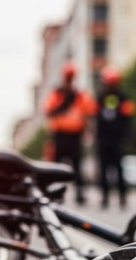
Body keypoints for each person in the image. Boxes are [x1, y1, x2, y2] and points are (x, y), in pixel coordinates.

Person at [44, 61, 96, 205]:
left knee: (77, 166)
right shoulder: (56, 95)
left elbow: (90, 111)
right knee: (56, 167)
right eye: (67, 77)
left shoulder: (79, 95)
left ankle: (80, 194)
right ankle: (55, 193)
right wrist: (64, 103)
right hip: (60, 135)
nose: (69, 80)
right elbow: (48, 111)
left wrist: (88, 130)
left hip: (75, 136)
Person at [94, 65, 136, 209]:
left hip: (117, 139)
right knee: (104, 170)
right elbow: (95, 116)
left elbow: (128, 118)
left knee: (118, 169)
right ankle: (105, 197)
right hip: (103, 139)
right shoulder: (99, 98)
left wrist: (127, 137)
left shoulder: (124, 98)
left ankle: (122, 197)